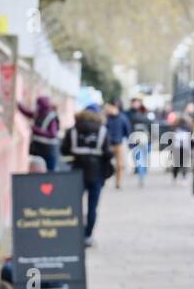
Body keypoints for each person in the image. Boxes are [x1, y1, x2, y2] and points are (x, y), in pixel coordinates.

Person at [60, 103, 114, 246]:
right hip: (96, 173)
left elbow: (64, 150)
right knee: (92, 206)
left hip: (77, 172)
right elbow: (108, 153)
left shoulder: (73, 130)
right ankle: (88, 236)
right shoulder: (102, 130)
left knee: (75, 204)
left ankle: (74, 233)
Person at [17, 94, 61, 172]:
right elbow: (28, 113)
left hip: (49, 151)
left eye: (37, 104)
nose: (36, 106)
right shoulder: (39, 114)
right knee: (37, 173)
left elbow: (53, 134)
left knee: (49, 173)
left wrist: (36, 130)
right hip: (38, 149)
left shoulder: (51, 117)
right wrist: (18, 105)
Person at [104, 100, 131, 188]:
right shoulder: (106, 118)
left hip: (119, 144)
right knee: (106, 163)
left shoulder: (123, 118)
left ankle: (118, 183)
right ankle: (106, 180)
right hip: (108, 144)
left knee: (119, 165)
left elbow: (127, 131)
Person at [127, 98, 153, 186]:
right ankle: (142, 173)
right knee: (142, 158)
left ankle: (141, 172)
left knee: (139, 157)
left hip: (138, 139)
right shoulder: (145, 116)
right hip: (143, 139)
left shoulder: (132, 116)